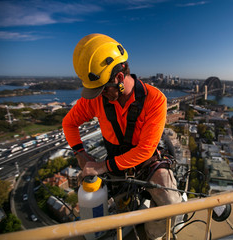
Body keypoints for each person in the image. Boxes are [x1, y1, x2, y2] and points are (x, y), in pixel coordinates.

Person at [62, 33, 182, 239]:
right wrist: (79, 152)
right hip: (115, 161)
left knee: (172, 207)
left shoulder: (154, 99)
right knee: (119, 203)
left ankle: (151, 234)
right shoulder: (96, 99)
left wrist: (102, 167)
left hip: (146, 161)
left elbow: (145, 150)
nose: (99, 95)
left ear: (119, 77)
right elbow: (69, 123)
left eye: (102, 89)